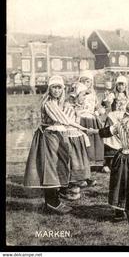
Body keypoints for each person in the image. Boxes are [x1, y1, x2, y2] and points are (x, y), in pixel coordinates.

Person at [24, 75, 89, 214]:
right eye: (54, 87)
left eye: (59, 88)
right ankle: (51, 202)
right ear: (50, 89)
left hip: (57, 136)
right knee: (50, 168)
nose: (57, 91)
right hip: (48, 137)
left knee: (60, 165)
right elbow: (63, 119)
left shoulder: (60, 103)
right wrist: (84, 128)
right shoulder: (48, 104)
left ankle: (56, 197)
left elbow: (66, 115)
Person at [61, 82, 92, 199]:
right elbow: (67, 123)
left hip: (76, 135)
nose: (84, 98)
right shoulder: (68, 107)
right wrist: (83, 129)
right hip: (70, 137)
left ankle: (77, 182)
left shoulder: (74, 107)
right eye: (83, 95)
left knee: (79, 160)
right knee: (73, 161)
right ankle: (71, 186)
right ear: (76, 95)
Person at [101, 75, 129, 174]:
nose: (120, 87)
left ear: (125, 86)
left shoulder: (128, 96)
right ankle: (107, 163)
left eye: (122, 85)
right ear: (116, 85)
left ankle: (121, 162)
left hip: (124, 119)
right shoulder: (113, 95)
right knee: (111, 139)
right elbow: (107, 104)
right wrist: (106, 100)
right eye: (119, 85)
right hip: (114, 118)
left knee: (124, 140)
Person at [77, 71, 105, 179]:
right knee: (83, 140)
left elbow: (97, 107)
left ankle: (93, 162)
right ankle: (83, 162)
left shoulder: (93, 95)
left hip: (91, 118)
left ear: (91, 83)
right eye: (83, 81)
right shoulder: (79, 94)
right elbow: (76, 105)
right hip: (81, 119)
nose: (85, 83)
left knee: (94, 140)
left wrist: (100, 110)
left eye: (87, 81)